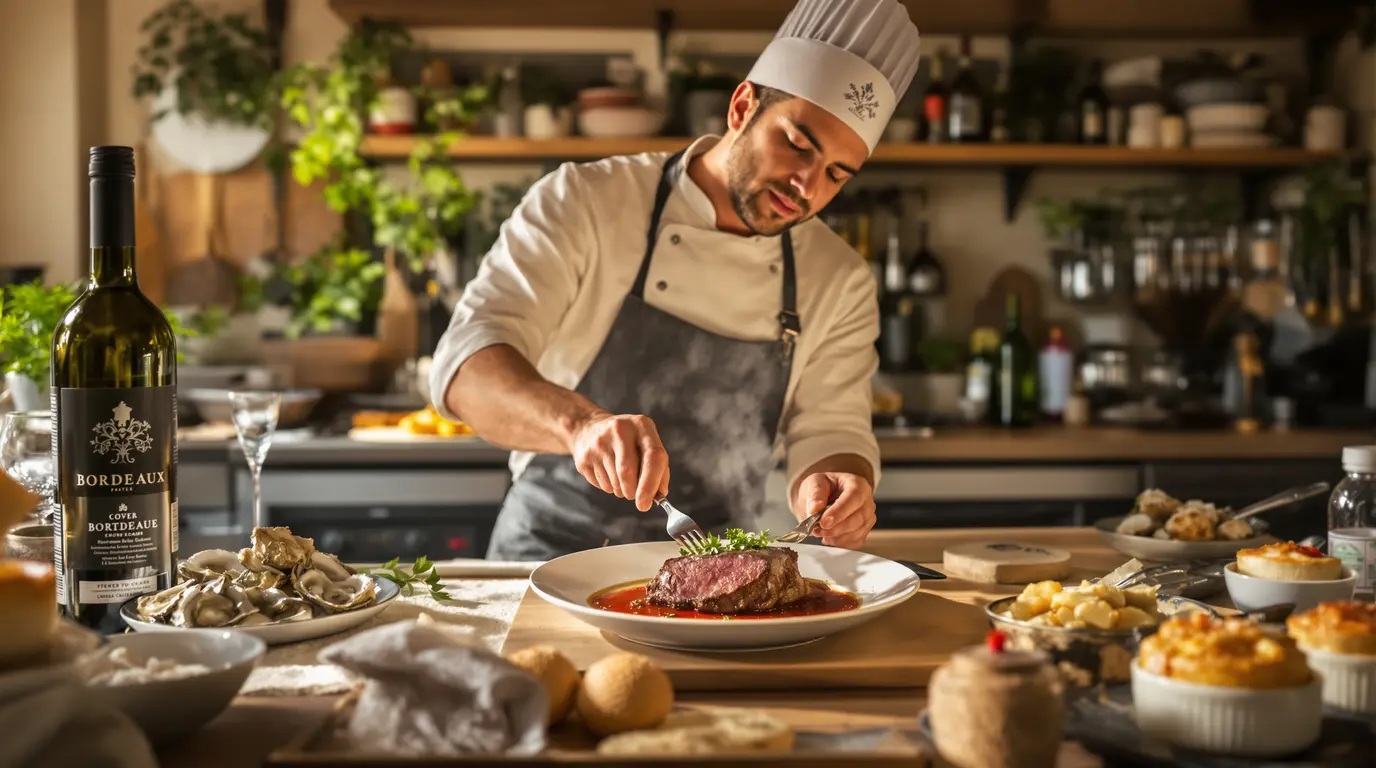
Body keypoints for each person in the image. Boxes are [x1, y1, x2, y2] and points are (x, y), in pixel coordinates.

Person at [429, 0, 922, 561]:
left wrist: (836, 482)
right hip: (543, 559)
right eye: (798, 144)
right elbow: (465, 369)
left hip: (717, 570)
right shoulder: (585, 201)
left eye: (836, 173)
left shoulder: (839, 278)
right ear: (742, 107)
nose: (806, 185)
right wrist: (581, 426)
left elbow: (833, 426)